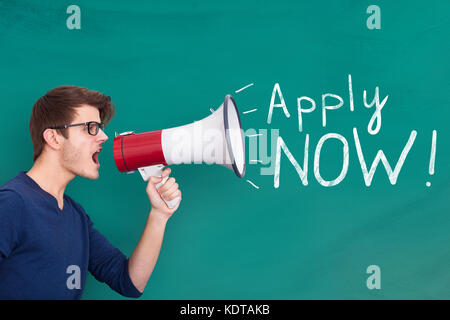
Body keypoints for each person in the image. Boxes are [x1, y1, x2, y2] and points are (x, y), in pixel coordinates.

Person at [0, 86, 181, 299]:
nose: (104, 136)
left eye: (100, 127)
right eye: (90, 128)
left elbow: (130, 282)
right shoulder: (12, 203)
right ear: (54, 138)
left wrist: (159, 215)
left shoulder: (76, 216)